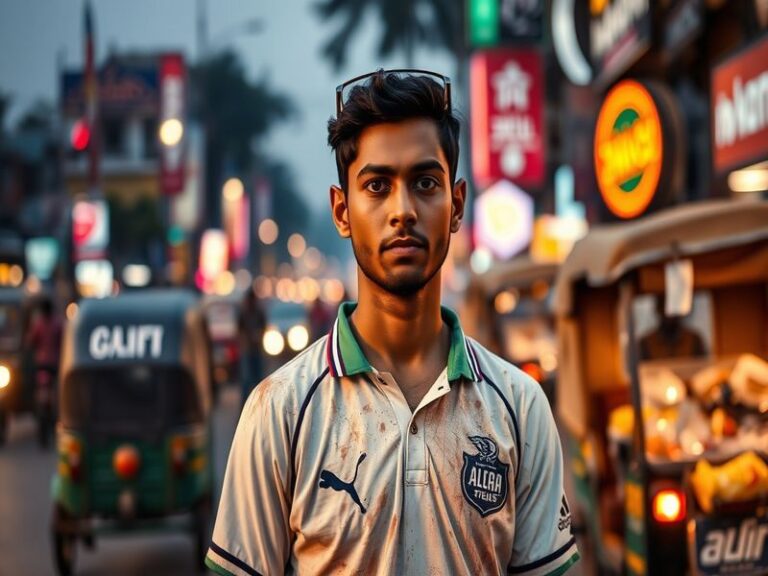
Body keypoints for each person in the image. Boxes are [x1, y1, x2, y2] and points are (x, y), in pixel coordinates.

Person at [206, 70, 579, 576]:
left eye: (425, 183)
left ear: (457, 205)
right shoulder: (280, 411)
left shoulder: (519, 406)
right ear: (342, 211)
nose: (402, 210)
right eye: (377, 186)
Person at [640, 296, 707, 361]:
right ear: (658, 309)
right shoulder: (646, 343)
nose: (669, 314)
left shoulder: (694, 339)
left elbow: (705, 369)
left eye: (673, 309)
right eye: (665, 307)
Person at [238, 288, 266, 407]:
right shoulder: (243, 314)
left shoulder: (259, 314)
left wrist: (257, 336)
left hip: (256, 350)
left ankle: (258, 405)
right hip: (247, 351)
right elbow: (239, 331)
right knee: (246, 381)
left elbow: (263, 329)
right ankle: (245, 406)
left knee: (258, 380)